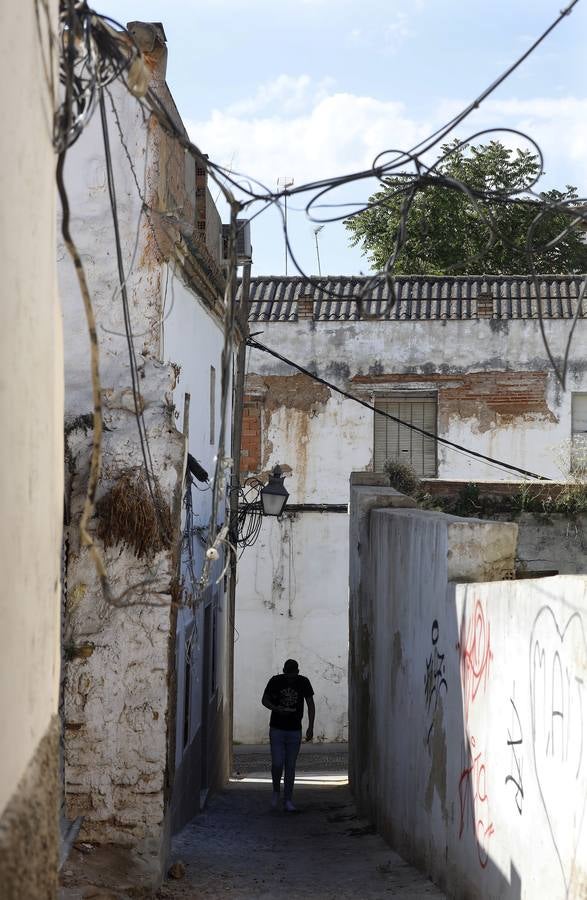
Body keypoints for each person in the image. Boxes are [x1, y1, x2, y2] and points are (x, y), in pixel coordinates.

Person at [262, 659, 315, 812]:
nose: (290, 678)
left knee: (290, 766)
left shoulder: (304, 682)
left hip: (294, 730)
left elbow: (310, 704)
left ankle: (288, 800)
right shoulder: (275, 681)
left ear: (297, 672)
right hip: (277, 728)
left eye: (292, 676)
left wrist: (311, 726)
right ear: (284, 671)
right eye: (288, 675)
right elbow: (264, 700)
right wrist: (276, 709)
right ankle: (276, 791)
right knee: (277, 763)